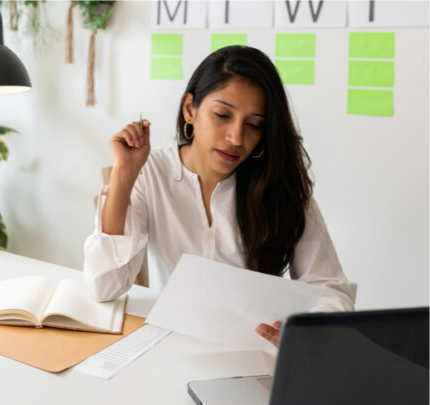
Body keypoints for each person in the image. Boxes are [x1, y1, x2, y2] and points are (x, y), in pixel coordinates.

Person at [83, 45, 355, 347]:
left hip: (253, 352)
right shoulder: (151, 172)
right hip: (170, 347)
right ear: (190, 109)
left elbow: (332, 290)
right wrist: (124, 174)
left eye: (254, 125)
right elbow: (103, 287)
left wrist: (302, 332)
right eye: (223, 115)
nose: (236, 138)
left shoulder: (280, 186)